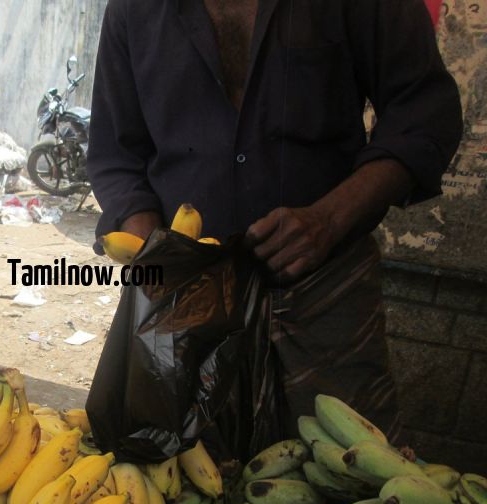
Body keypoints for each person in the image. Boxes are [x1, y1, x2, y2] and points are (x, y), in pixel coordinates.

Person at [86, 0, 463, 443]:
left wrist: (329, 219)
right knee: (185, 482)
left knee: (351, 482)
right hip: (183, 296)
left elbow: (423, 116)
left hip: (327, 288)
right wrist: (154, 249)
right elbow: (116, 152)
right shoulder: (133, 8)